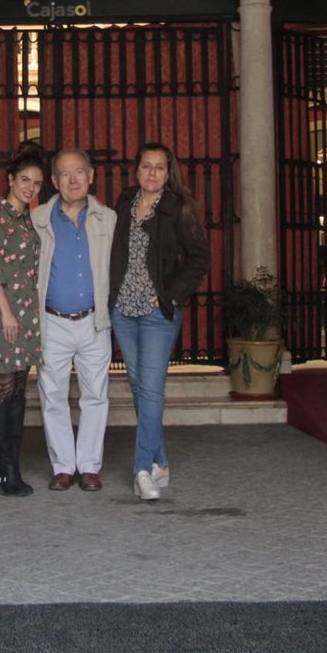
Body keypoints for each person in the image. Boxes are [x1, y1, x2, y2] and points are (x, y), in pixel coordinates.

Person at [109, 143, 210, 502]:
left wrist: (170, 296)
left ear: (170, 174)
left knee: (151, 389)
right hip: (123, 310)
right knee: (140, 389)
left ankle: (141, 469)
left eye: (160, 168)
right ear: (136, 170)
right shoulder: (124, 203)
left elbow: (199, 260)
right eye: (146, 166)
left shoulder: (178, 209)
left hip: (156, 314)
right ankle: (161, 460)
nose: (152, 173)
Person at [32, 148, 117, 492]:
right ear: (54, 182)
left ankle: (90, 467)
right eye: (64, 174)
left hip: (95, 322)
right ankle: (63, 466)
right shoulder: (37, 219)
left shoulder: (108, 219)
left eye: (79, 172)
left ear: (91, 175)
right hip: (52, 322)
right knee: (52, 395)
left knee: (96, 394)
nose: (73, 180)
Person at [0, 142, 46, 496]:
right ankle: (5, 469)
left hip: (25, 314)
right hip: (5, 315)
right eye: (25, 180)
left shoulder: (30, 219)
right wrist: (7, 314)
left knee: (17, 388)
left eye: (37, 183)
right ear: (11, 179)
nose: (30, 188)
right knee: (2, 390)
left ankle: (10, 461)